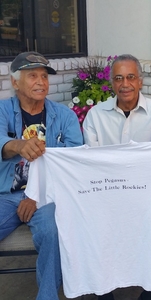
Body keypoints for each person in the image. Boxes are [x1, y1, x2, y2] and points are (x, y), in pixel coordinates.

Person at [82, 54, 151, 300]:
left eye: (131, 77)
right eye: (118, 78)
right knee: (90, 221)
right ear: (111, 83)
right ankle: (103, 290)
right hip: (108, 194)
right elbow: (90, 163)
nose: (125, 84)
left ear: (140, 81)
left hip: (149, 194)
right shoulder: (95, 116)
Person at [0, 51, 83, 300]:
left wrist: (36, 195)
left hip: (48, 196)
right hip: (8, 194)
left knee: (52, 230)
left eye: (44, 76)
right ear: (15, 82)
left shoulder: (65, 116)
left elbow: (74, 162)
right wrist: (17, 145)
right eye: (33, 75)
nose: (41, 82)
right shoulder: (3, 110)